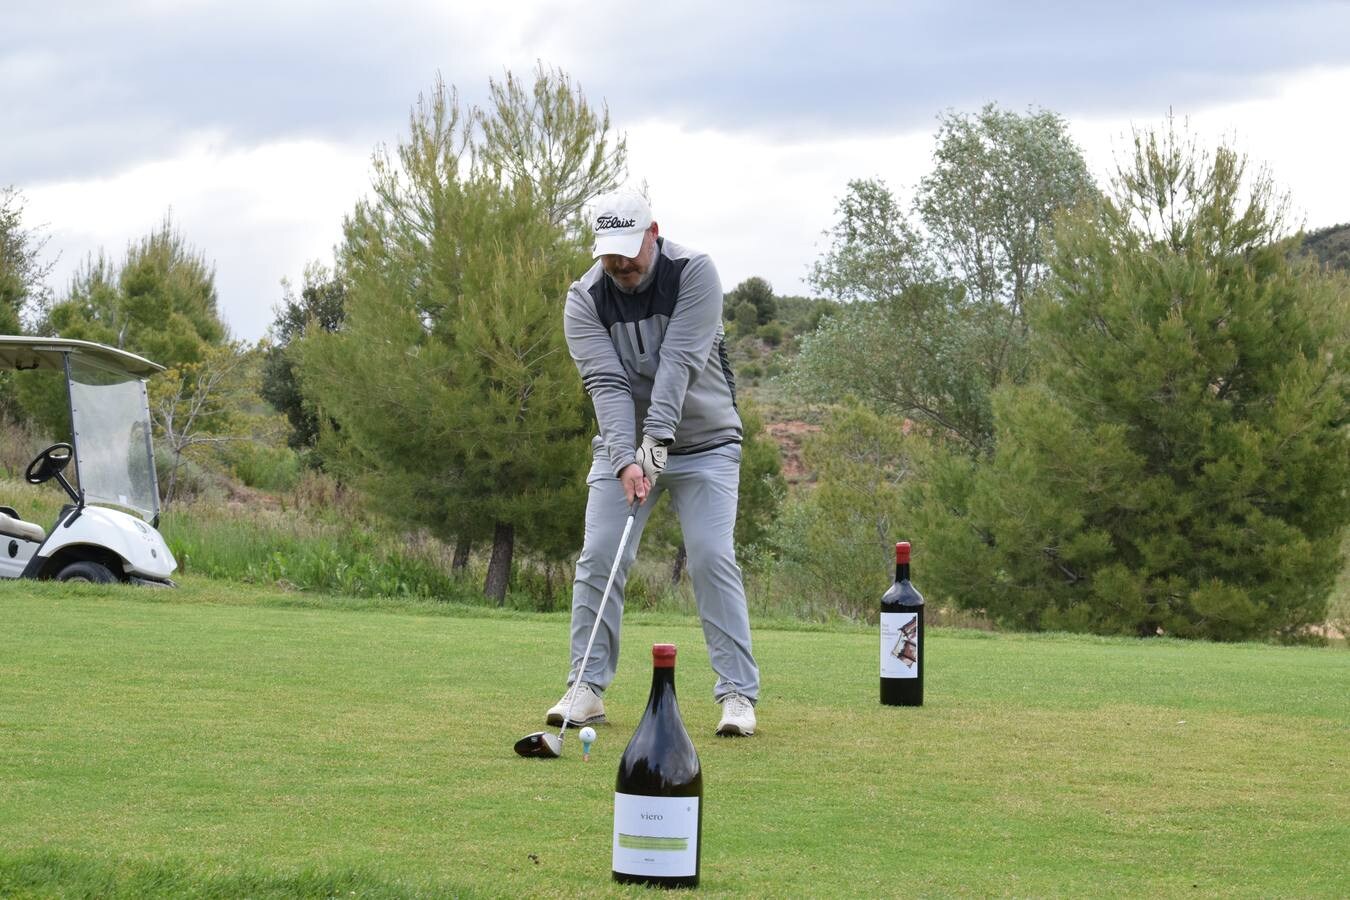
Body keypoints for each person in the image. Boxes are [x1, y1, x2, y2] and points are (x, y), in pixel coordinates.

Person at [548, 187, 759, 737]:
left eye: (629, 251)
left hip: (706, 443)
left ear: (653, 233)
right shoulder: (584, 299)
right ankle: (586, 687)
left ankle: (737, 695)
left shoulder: (695, 274)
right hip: (627, 451)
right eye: (608, 254)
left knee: (712, 557)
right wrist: (626, 458)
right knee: (598, 556)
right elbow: (607, 384)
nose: (620, 265)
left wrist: (655, 444)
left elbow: (678, 365)